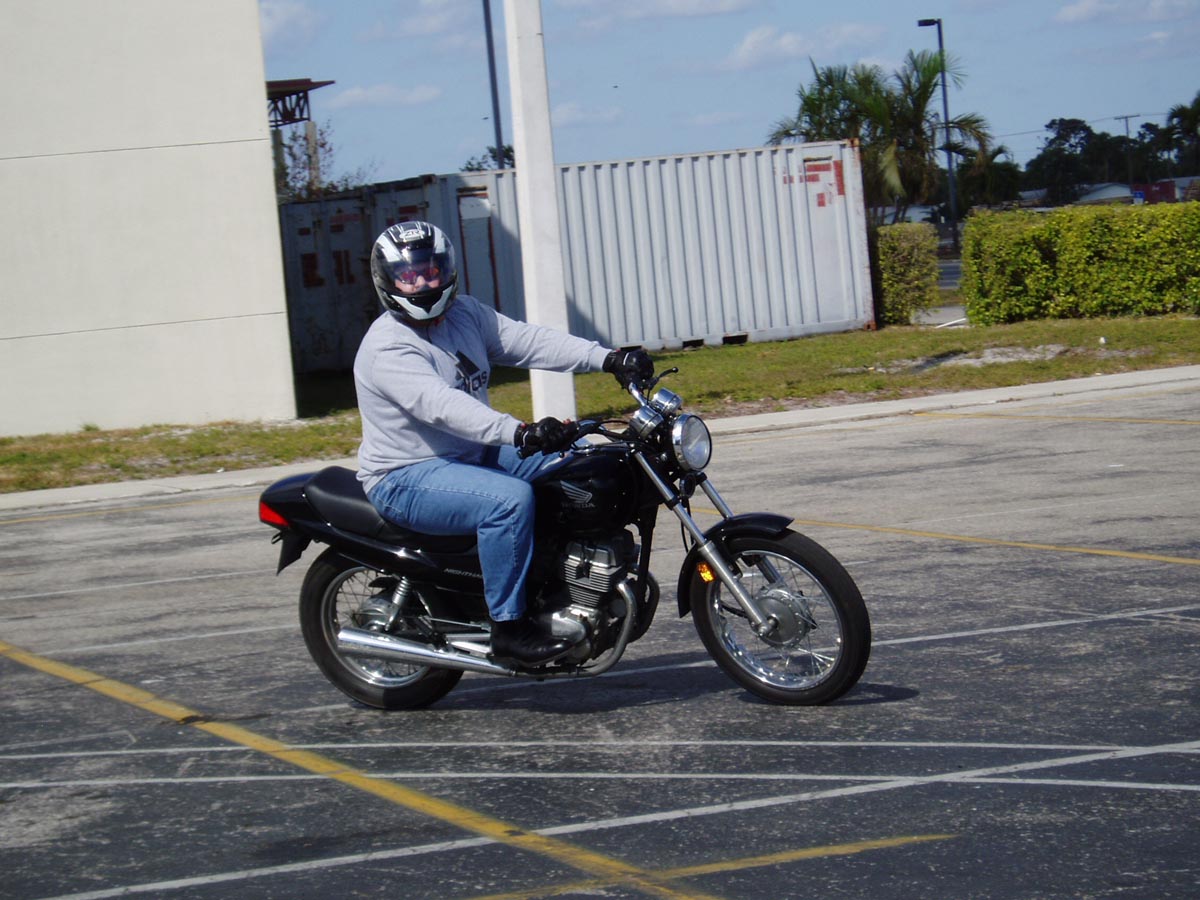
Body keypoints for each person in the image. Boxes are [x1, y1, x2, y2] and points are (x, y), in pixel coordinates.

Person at [355, 221, 652, 666]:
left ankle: (561, 585)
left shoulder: (465, 315)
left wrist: (607, 358)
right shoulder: (388, 347)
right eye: (410, 275)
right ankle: (509, 629)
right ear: (387, 281)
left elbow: (527, 341)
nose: (423, 283)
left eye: (431, 270)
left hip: (468, 454)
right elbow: (443, 407)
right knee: (508, 502)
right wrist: (520, 432)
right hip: (406, 474)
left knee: (575, 464)